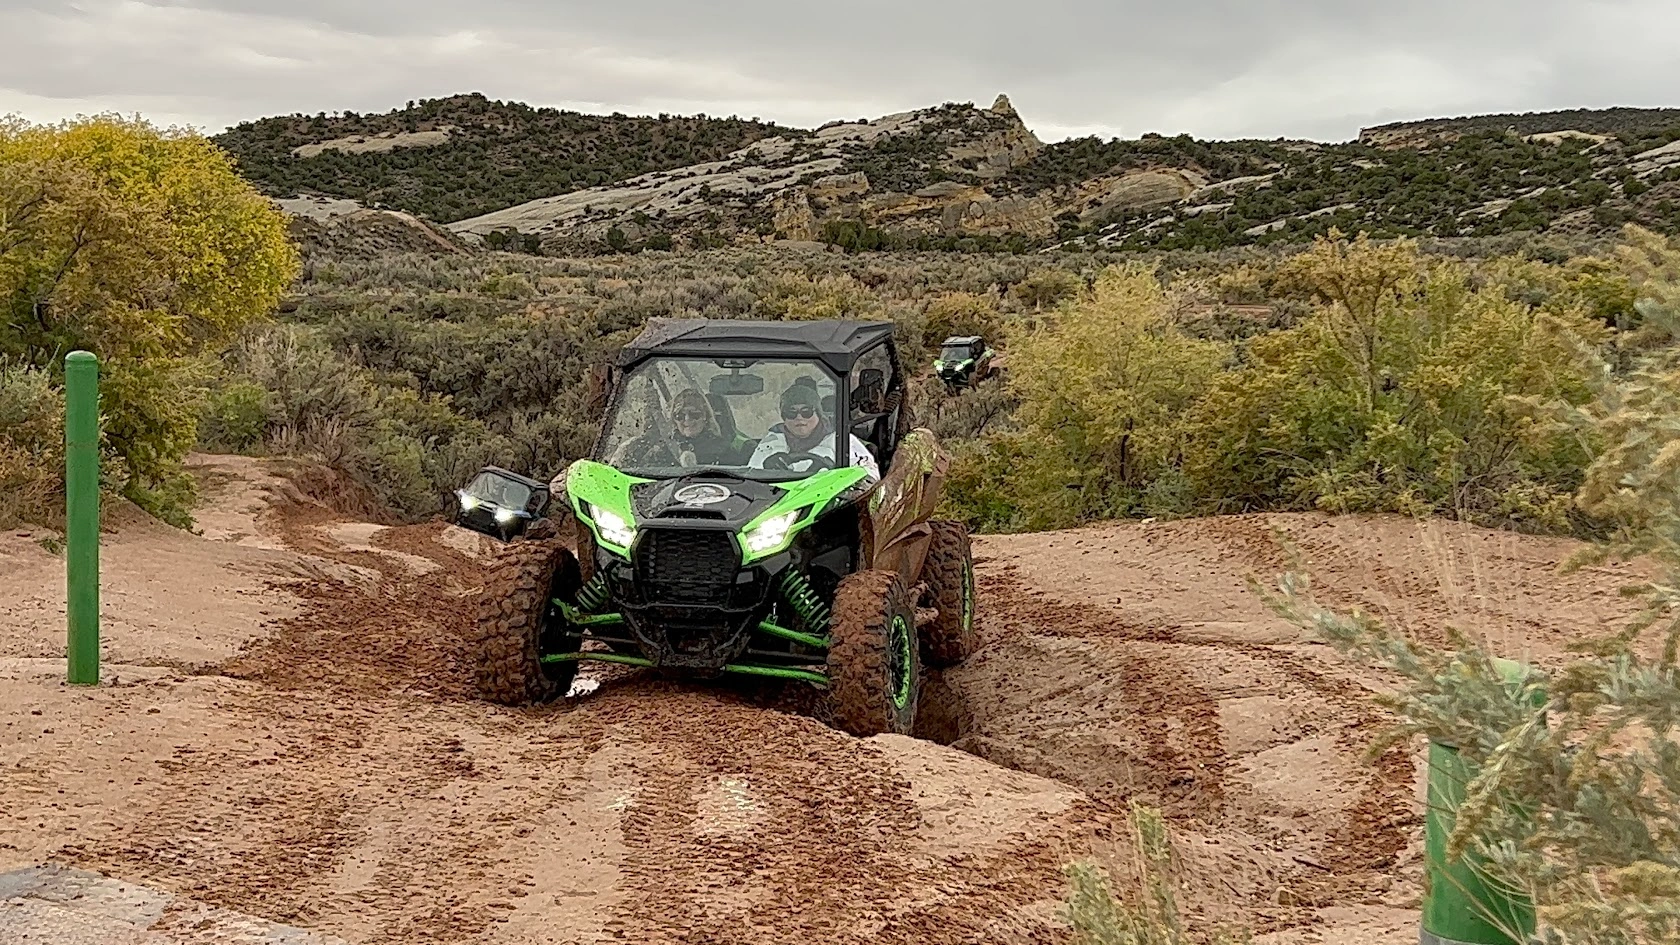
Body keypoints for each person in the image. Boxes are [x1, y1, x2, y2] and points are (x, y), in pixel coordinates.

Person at [749, 376, 880, 480]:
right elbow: (750, 478)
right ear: (784, 417)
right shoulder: (770, 443)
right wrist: (766, 472)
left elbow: (869, 477)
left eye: (806, 412)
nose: (799, 418)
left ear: (818, 413)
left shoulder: (843, 442)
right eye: (791, 413)